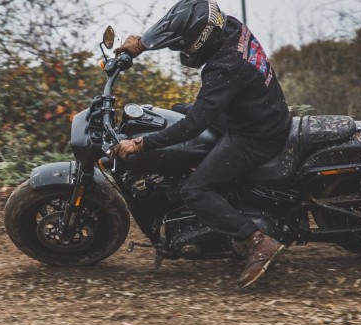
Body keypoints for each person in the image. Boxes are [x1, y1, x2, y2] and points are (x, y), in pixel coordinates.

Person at [112, 0, 292, 288]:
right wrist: (142, 43)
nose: (183, 50)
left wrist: (142, 144)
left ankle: (256, 241)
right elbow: (175, 23)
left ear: (201, 42)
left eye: (186, 45)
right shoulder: (229, 26)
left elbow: (195, 125)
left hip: (256, 134)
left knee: (194, 189)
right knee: (177, 108)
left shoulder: (223, 67)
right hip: (253, 109)